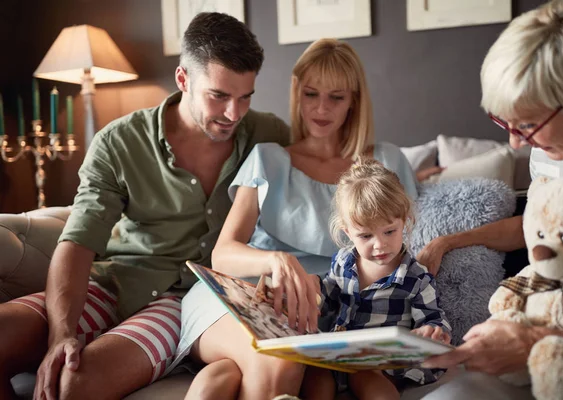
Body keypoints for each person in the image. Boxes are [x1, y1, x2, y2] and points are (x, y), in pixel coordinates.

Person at [0, 12, 290, 400]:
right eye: (218, 96)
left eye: (245, 97)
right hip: (111, 282)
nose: (233, 114)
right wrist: (62, 335)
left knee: (74, 385)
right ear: (183, 79)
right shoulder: (120, 142)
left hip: (182, 300)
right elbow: (78, 242)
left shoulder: (268, 135)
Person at [175, 38, 419, 399]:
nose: (321, 108)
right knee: (280, 359)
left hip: (325, 310)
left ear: (354, 100)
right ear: (296, 93)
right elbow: (223, 253)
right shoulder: (268, 158)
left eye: (336, 97)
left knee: (228, 376)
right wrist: (276, 261)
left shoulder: (388, 161)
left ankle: (225, 373)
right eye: (310, 94)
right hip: (242, 295)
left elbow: (410, 244)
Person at [418, 0, 563, 398]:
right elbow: (538, 228)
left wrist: (535, 342)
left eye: (529, 124)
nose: (515, 142)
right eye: (505, 123)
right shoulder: (549, 157)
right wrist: (448, 242)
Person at [300, 158, 451, 400]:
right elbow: (328, 297)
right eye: (366, 235)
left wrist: (432, 331)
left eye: (389, 231)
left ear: (405, 221)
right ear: (347, 232)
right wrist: (310, 292)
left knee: (365, 375)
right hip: (339, 354)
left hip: (380, 362)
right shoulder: (343, 262)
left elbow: (434, 319)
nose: (380, 244)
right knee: (315, 372)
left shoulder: (416, 277)